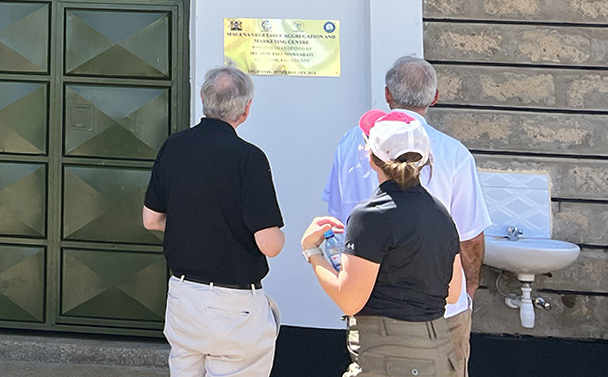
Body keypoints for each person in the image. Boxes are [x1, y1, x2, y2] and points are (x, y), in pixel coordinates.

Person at [322, 56, 488, 374]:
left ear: (388, 95)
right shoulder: (453, 154)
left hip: (368, 302)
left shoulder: (349, 144)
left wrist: (321, 261)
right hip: (441, 305)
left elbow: (337, 223)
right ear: (434, 97)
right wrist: (469, 287)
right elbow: (469, 237)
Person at [142, 64, 285, 377]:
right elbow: (270, 244)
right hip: (234, 305)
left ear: (204, 101)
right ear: (245, 110)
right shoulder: (249, 158)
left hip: (183, 297)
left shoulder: (173, 146)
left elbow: (151, 220)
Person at [302, 111, 464, 376]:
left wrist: (312, 252)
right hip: (437, 350)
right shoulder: (441, 213)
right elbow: (454, 291)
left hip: (386, 352)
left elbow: (350, 301)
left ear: (370, 157)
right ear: (424, 160)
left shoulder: (370, 215)